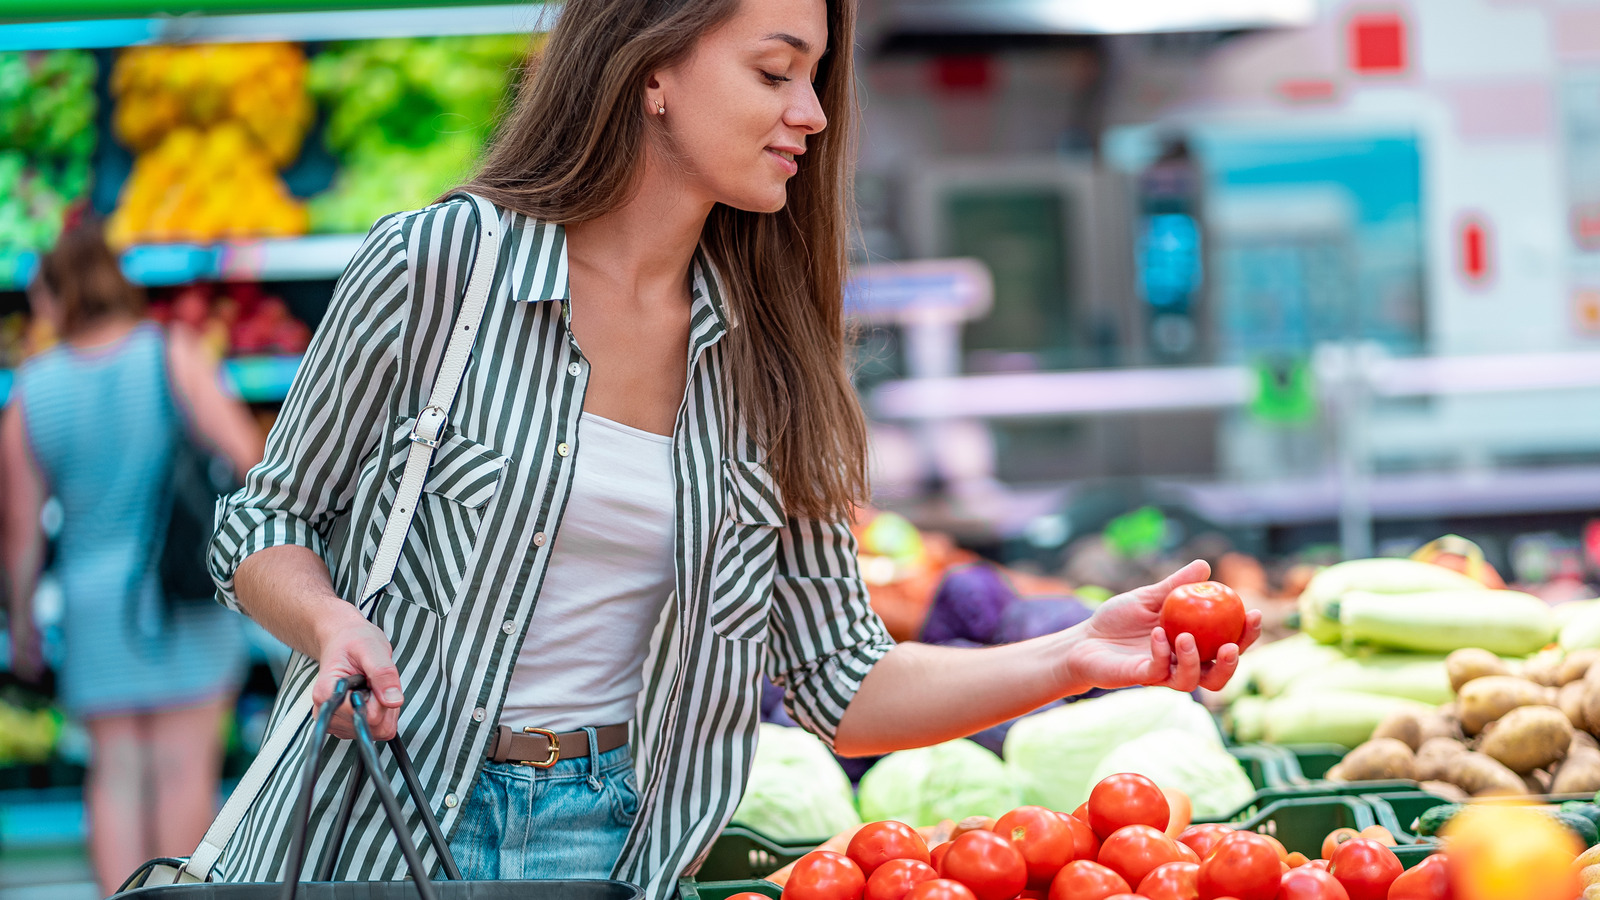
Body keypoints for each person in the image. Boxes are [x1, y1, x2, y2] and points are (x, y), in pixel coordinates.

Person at [206, 0, 1263, 895]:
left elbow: (839, 683)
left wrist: (1071, 655)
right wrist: (328, 618)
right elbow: (266, 517)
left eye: (815, 80)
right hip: (377, 821)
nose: (807, 114)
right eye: (774, 73)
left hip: (611, 843)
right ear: (653, 66)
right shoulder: (443, 267)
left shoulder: (768, 356)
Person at [0, 214, 265, 895]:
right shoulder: (171, 352)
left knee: (114, 773)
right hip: (183, 595)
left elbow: (20, 533)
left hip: (93, 610)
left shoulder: (34, 391)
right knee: (185, 771)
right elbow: (249, 458)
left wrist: (25, 629)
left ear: (58, 299)